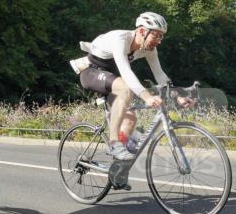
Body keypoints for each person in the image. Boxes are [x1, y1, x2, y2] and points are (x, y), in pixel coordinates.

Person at [72, 12, 192, 190]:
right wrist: (147, 97)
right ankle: (114, 143)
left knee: (131, 119)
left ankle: (118, 170)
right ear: (142, 31)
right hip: (91, 72)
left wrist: (178, 95)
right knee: (126, 89)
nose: (159, 40)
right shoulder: (121, 39)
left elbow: (160, 76)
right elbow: (126, 74)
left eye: (162, 36)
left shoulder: (149, 49)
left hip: (111, 79)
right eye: (157, 35)